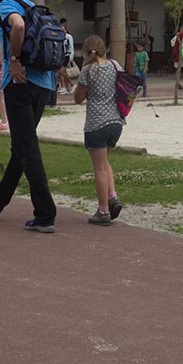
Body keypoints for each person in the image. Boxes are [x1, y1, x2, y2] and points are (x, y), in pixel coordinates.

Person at [0, 0, 58, 233]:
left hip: (20, 84)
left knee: (29, 148)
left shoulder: (8, 6)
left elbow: (19, 27)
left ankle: (45, 214)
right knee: (21, 147)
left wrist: (13, 59)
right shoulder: (35, 7)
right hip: (43, 84)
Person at [73, 35, 125, 226]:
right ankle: (112, 196)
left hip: (96, 123)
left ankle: (103, 210)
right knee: (105, 163)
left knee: (99, 168)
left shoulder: (87, 71)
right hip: (116, 121)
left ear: (86, 52)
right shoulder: (115, 65)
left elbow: (78, 99)